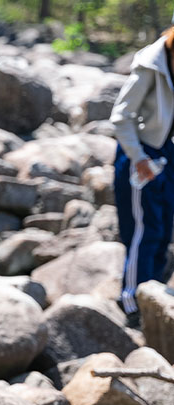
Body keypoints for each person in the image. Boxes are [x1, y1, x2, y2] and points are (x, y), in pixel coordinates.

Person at [110, 26, 174, 327]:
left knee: (162, 232)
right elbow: (121, 117)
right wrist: (139, 158)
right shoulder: (150, 64)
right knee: (143, 231)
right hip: (141, 156)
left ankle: (154, 302)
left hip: (166, 152)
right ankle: (132, 301)